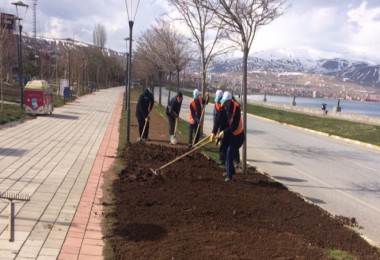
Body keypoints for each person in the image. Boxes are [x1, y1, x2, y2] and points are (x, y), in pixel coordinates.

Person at [210, 91, 245, 182]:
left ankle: (229, 176)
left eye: (226, 102)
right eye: (224, 102)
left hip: (238, 136)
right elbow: (217, 120)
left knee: (229, 152)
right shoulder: (223, 107)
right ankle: (230, 170)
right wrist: (213, 133)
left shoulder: (236, 108)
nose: (224, 104)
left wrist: (224, 132)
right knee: (223, 150)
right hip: (229, 134)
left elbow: (234, 126)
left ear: (229, 101)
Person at [211, 89, 227, 164]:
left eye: (219, 100)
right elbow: (216, 117)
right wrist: (214, 132)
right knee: (222, 143)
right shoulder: (217, 104)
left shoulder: (226, 105)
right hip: (220, 124)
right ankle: (222, 159)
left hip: (227, 126)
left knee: (224, 143)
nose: (217, 101)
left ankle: (223, 159)